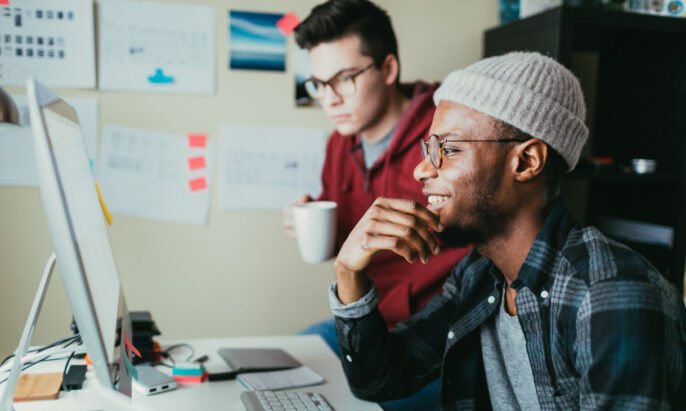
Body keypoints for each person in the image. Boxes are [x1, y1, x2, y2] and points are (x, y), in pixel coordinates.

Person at [330, 51, 686, 410]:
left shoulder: (613, 295)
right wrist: (348, 273)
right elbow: (381, 380)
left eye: (448, 149)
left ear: (527, 162)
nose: (421, 170)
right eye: (429, 149)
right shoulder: (479, 274)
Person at [283, 0, 470, 354]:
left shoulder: (445, 132)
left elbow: (481, 241)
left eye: (344, 79)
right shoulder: (339, 145)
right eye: (319, 84)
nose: (330, 99)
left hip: (435, 332)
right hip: (365, 319)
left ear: (388, 69)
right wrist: (314, 224)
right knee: (279, 370)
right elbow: (351, 239)